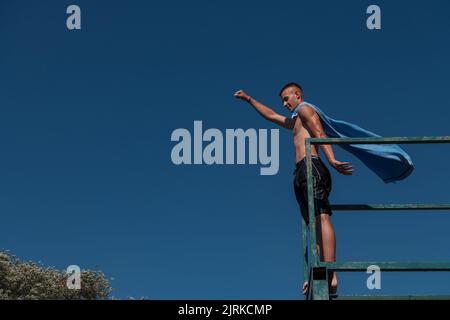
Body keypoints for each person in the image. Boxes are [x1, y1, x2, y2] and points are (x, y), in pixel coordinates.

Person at [234, 83, 354, 295]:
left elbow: (319, 132)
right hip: (300, 172)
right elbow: (271, 116)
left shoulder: (306, 109)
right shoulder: (296, 120)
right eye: (282, 100)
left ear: (297, 95)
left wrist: (332, 159)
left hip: (312, 165)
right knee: (312, 224)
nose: (284, 103)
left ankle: (332, 274)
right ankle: (318, 273)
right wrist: (249, 99)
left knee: (322, 217)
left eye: (286, 98)